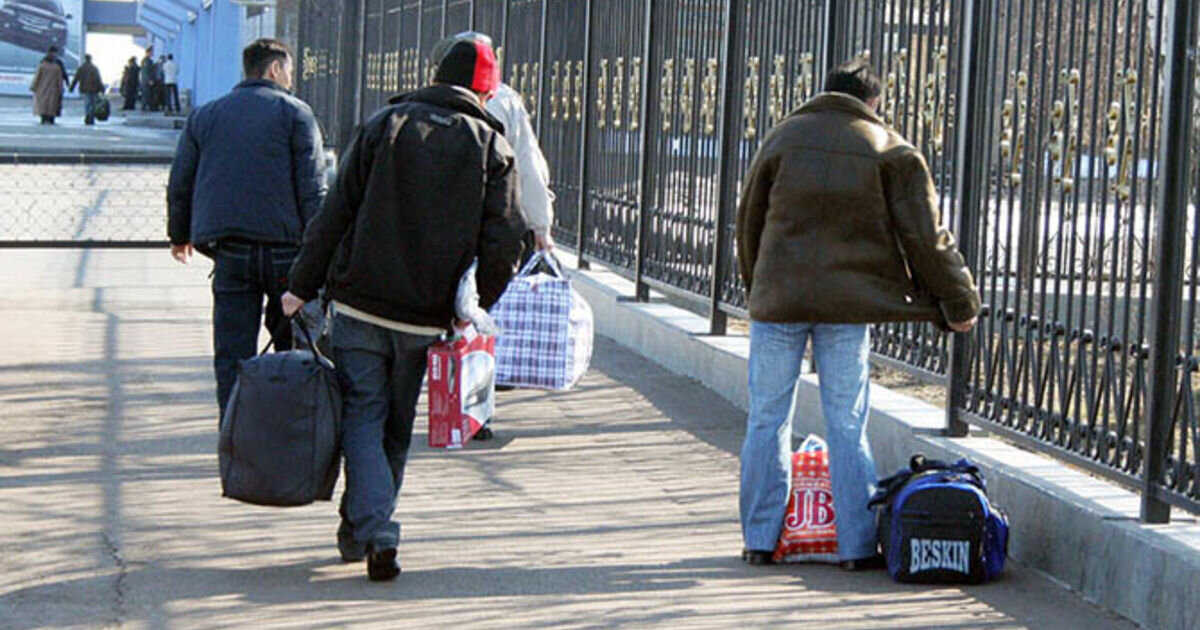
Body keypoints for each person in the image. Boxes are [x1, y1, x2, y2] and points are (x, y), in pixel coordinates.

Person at [282, 38, 526, 581]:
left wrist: (301, 284)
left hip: (359, 305)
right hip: (426, 316)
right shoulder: (491, 145)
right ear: (485, 90)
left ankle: (371, 528)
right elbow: (505, 239)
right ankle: (365, 530)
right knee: (395, 426)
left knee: (362, 418)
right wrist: (475, 306)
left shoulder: (383, 126)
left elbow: (335, 211)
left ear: (435, 74)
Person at [734, 58, 980, 570]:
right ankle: (855, 546)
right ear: (873, 102)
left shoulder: (783, 138)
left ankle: (759, 540)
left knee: (766, 419)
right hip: (846, 309)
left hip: (778, 303)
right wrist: (959, 302)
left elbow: (749, 222)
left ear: (825, 93)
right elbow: (926, 238)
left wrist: (759, 288)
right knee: (847, 422)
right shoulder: (887, 148)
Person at [167, 38, 327, 418]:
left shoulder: (206, 115)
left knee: (232, 352)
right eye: (288, 71)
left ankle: (235, 432)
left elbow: (181, 181)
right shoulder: (296, 114)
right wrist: (320, 254)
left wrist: (179, 234)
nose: (290, 79)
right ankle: (289, 428)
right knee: (295, 346)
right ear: (274, 69)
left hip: (230, 253)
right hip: (289, 255)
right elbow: (313, 190)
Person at [30, 53, 64, 125]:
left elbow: (37, 78)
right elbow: (59, 80)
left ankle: (43, 117)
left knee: (43, 104)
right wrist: (61, 89)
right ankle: (51, 118)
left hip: (42, 88)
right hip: (54, 89)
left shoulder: (42, 66)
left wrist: (33, 87)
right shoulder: (57, 68)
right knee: (52, 104)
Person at [70, 54, 104, 126]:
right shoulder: (94, 68)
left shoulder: (82, 68)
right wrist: (102, 89)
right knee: (93, 104)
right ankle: (91, 117)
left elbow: (76, 78)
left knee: (87, 103)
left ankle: (87, 115)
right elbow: (98, 79)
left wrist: (71, 88)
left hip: (85, 89)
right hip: (94, 89)